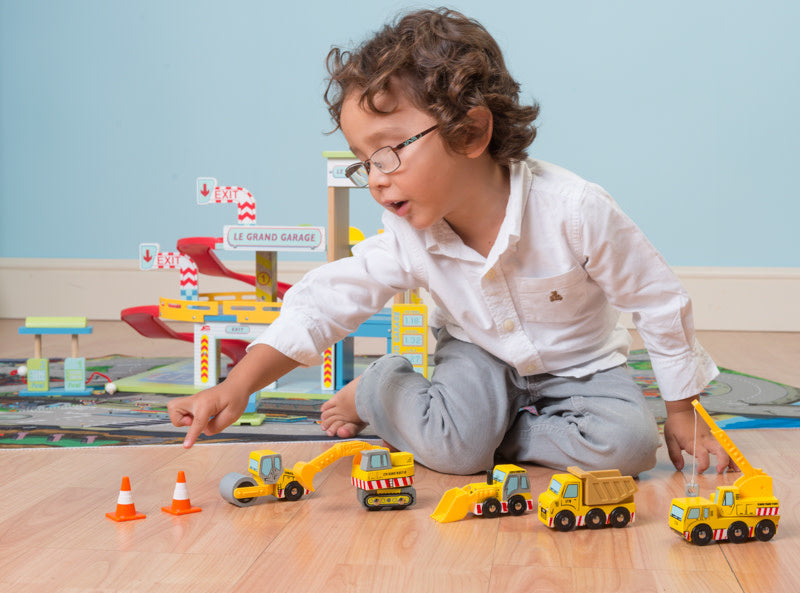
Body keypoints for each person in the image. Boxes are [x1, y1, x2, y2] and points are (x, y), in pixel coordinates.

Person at [167, 7, 732, 477]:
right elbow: (325, 302)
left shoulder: (575, 209)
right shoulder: (407, 234)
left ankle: (486, 435)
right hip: (476, 356)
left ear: (472, 132)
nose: (377, 177)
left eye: (388, 151)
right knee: (456, 453)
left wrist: (683, 411)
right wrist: (237, 386)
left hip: (581, 366)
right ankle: (380, 389)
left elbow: (657, 300)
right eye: (364, 162)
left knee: (630, 448)